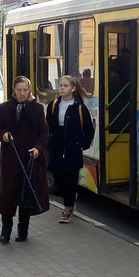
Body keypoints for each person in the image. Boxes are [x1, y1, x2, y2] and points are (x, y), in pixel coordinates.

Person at [0, 76, 49, 243]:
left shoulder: (37, 109)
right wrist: (3, 135)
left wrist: (38, 148)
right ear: (14, 90)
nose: (22, 93)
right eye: (19, 90)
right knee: (8, 194)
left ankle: (23, 230)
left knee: (27, 194)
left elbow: (44, 134)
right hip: (10, 159)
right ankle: (5, 231)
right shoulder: (4, 108)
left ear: (29, 90)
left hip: (30, 159)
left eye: (25, 90)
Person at [46, 75, 94, 223]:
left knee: (70, 180)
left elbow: (89, 129)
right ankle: (71, 197)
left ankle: (67, 209)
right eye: (61, 85)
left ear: (73, 89)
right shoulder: (53, 105)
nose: (62, 88)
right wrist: (49, 141)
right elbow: (47, 125)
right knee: (58, 176)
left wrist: (82, 144)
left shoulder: (79, 107)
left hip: (73, 150)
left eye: (65, 85)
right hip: (57, 148)